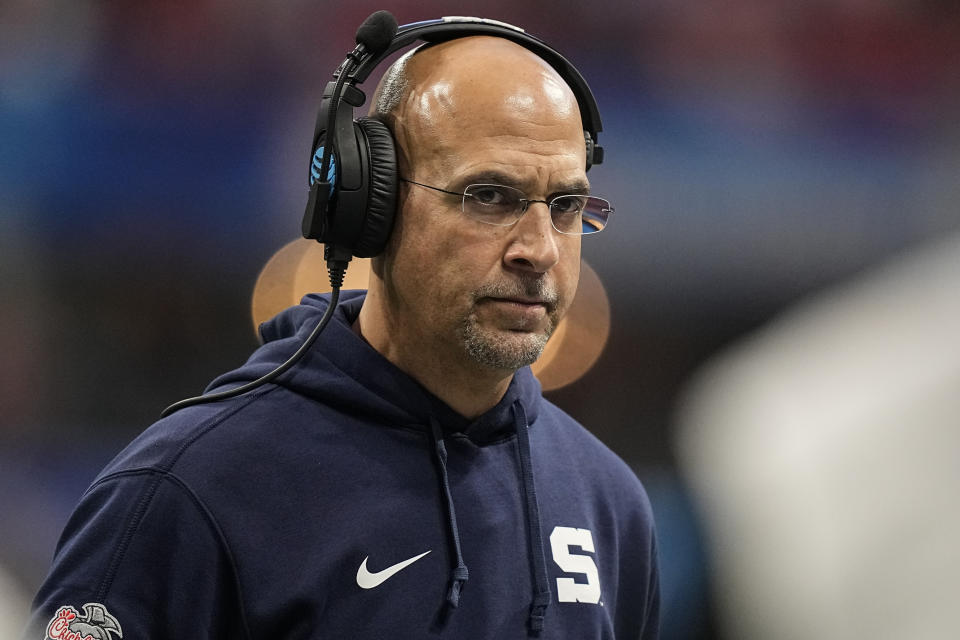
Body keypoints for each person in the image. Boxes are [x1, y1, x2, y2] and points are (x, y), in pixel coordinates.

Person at [25, 20, 659, 640]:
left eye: (568, 207)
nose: (540, 249)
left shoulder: (609, 503)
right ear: (368, 206)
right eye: (490, 196)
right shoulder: (188, 490)